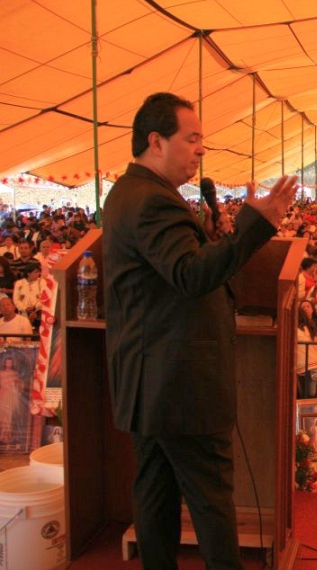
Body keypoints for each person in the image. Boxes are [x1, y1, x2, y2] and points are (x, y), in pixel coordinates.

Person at [102, 92, 298, 569]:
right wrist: (255, 226)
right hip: (178, 384)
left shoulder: (131, 192)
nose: (201, 149)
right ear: (156, 141)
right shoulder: (153, 201)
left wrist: (211, 238)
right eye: (191, 138)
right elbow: (190, 276)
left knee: (155, 491)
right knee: (211, 500)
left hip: (150, 381)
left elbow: (172, 272)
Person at [0, 357, 23, 443]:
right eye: (7, 362)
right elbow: (2, 383)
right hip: (3, 395)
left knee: (9, 416)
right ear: (4, 363)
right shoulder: (1, 373)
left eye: (10, 362)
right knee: (3, 416)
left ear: (12, 364)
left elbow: (19, 384)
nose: (9, 364)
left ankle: (7, 436)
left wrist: (17, 389)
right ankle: (2, 435)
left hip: (12, 396)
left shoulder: (14, 373)